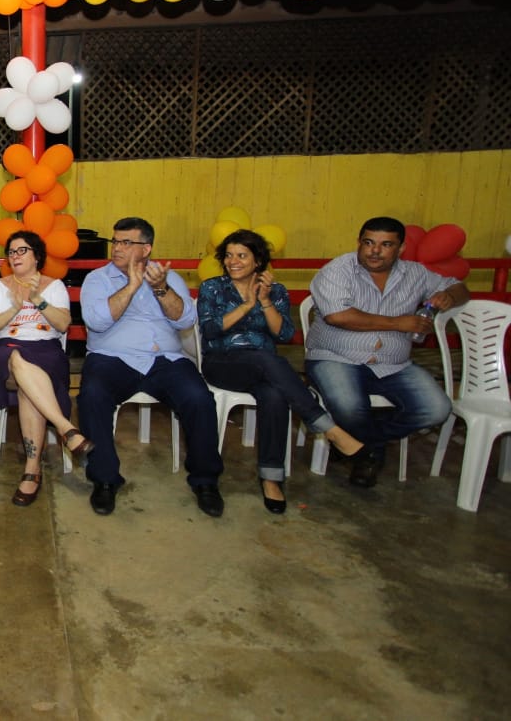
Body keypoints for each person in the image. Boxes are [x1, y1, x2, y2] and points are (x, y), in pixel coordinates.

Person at [198, 229, 368, 514]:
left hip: (265, 368)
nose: (233, 261)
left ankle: (271, 478)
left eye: (241, 256)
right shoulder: (213, 287)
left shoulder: (276, 291)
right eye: (228, 255)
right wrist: (247, 305)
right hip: (223, 363)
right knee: (267, 361)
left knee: (274, 394)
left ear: (258, 261)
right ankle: (328, 427)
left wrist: (264, 302)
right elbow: (211, 329)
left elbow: (284, 334)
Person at [306, 216, 470, 488]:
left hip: (393, 364)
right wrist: (398, 323)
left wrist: (450, 296)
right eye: (368, 243)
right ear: (359, 243)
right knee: (349, 406)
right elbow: (337, 316)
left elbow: (458, 286)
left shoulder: (416, 273)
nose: (375, 251)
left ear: (401, 248)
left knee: (437, 409)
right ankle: (367, 451)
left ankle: (354, 443)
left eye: (386, 245)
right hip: (336, 358)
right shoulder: (338, 270)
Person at [78, 217, 224, 517]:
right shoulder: (97, 279)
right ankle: (104, 479)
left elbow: (185, 320)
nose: (117, 248)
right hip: (111, 358)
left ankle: (206, 481)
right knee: (92, 395)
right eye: (115, 241)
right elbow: (96, 321)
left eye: (126, 242)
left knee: (199, 398)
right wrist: (132, 286)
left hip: (164, 360)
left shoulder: (168, 278)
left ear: (146, 249)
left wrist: (160, 289)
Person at [0, 230, 93, 507]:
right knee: (17, 357)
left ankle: (32, 470)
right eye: (11, 251)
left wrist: (37, 299)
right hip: (7, 348)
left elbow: (63, 325)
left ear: (36, 256)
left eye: (22, 250)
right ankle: (67, 430)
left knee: (27, 385)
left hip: (46, 350)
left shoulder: (54, 286)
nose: (15, 256)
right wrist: (14, 309)